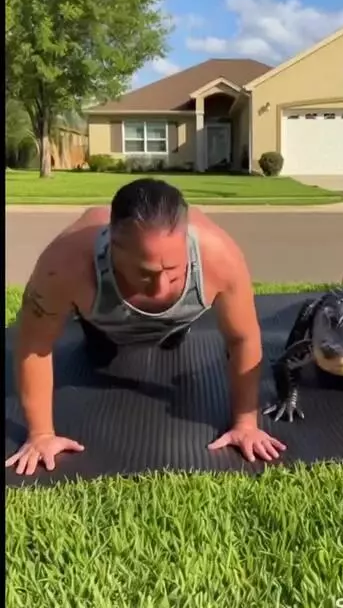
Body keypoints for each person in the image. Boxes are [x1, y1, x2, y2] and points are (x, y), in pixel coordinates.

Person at [6, 178, 286, 476]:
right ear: (113, 248)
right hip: (103, 324)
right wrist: (41, 435)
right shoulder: (64, 264)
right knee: (99, 352)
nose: (160, 287)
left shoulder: (220, 257)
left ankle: (172, 325)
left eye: (173, 272)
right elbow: (34, 345)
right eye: (144, 273)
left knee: (173, 341)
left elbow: (243, 339)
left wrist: (246, 423)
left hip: (179, 322)